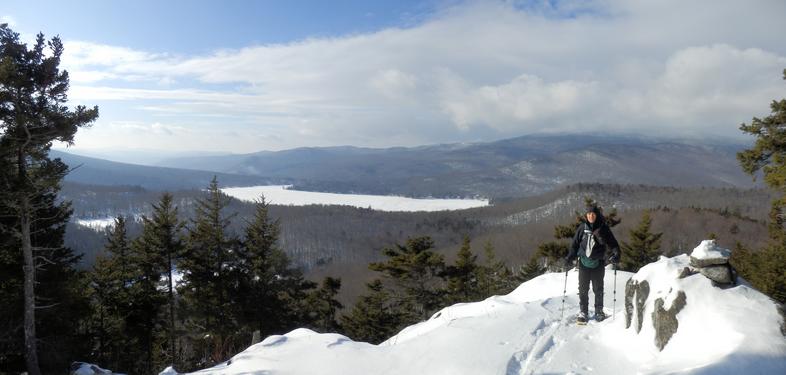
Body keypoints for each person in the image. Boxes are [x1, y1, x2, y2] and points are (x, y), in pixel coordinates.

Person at [564, 204, 620, 323]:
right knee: (583, 289)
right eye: (589, 214)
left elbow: (613, 244)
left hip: (598, 263)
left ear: (597, 215)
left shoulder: (603, 228)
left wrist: (616, 254)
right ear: (586, 215)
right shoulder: (582, 228)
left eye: (593, 214)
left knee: (598, 289)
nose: (591, 216)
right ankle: (583, 312)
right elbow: (574, 245)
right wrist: (569, 257)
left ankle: (599, 311)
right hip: (583, 263)